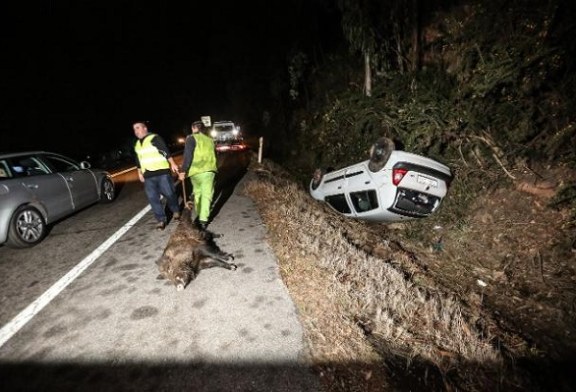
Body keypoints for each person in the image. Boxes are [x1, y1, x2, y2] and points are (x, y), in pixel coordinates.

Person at [133, 120, 181, 230]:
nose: (136, 131)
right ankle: (160, 220)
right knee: (152, 198)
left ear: (145, 128)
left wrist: (172, 163)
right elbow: (138, 159)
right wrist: (139, 172)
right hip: (148, 175)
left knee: (169, 194)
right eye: (134, 129)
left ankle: (176, 211)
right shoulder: (137, 144)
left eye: (138, 128)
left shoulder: (154, 138)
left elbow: (164, 151)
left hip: (162, 172)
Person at [179, 120, 217, 231]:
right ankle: (203, 220)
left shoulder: (191, 138)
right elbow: (215, 154)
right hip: (209, 171)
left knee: (198, 193)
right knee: (207, 194)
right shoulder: (210, 140)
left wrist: (183, 171)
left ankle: (201, 216)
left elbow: (188, 156)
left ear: (194, 128)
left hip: (195, 172)